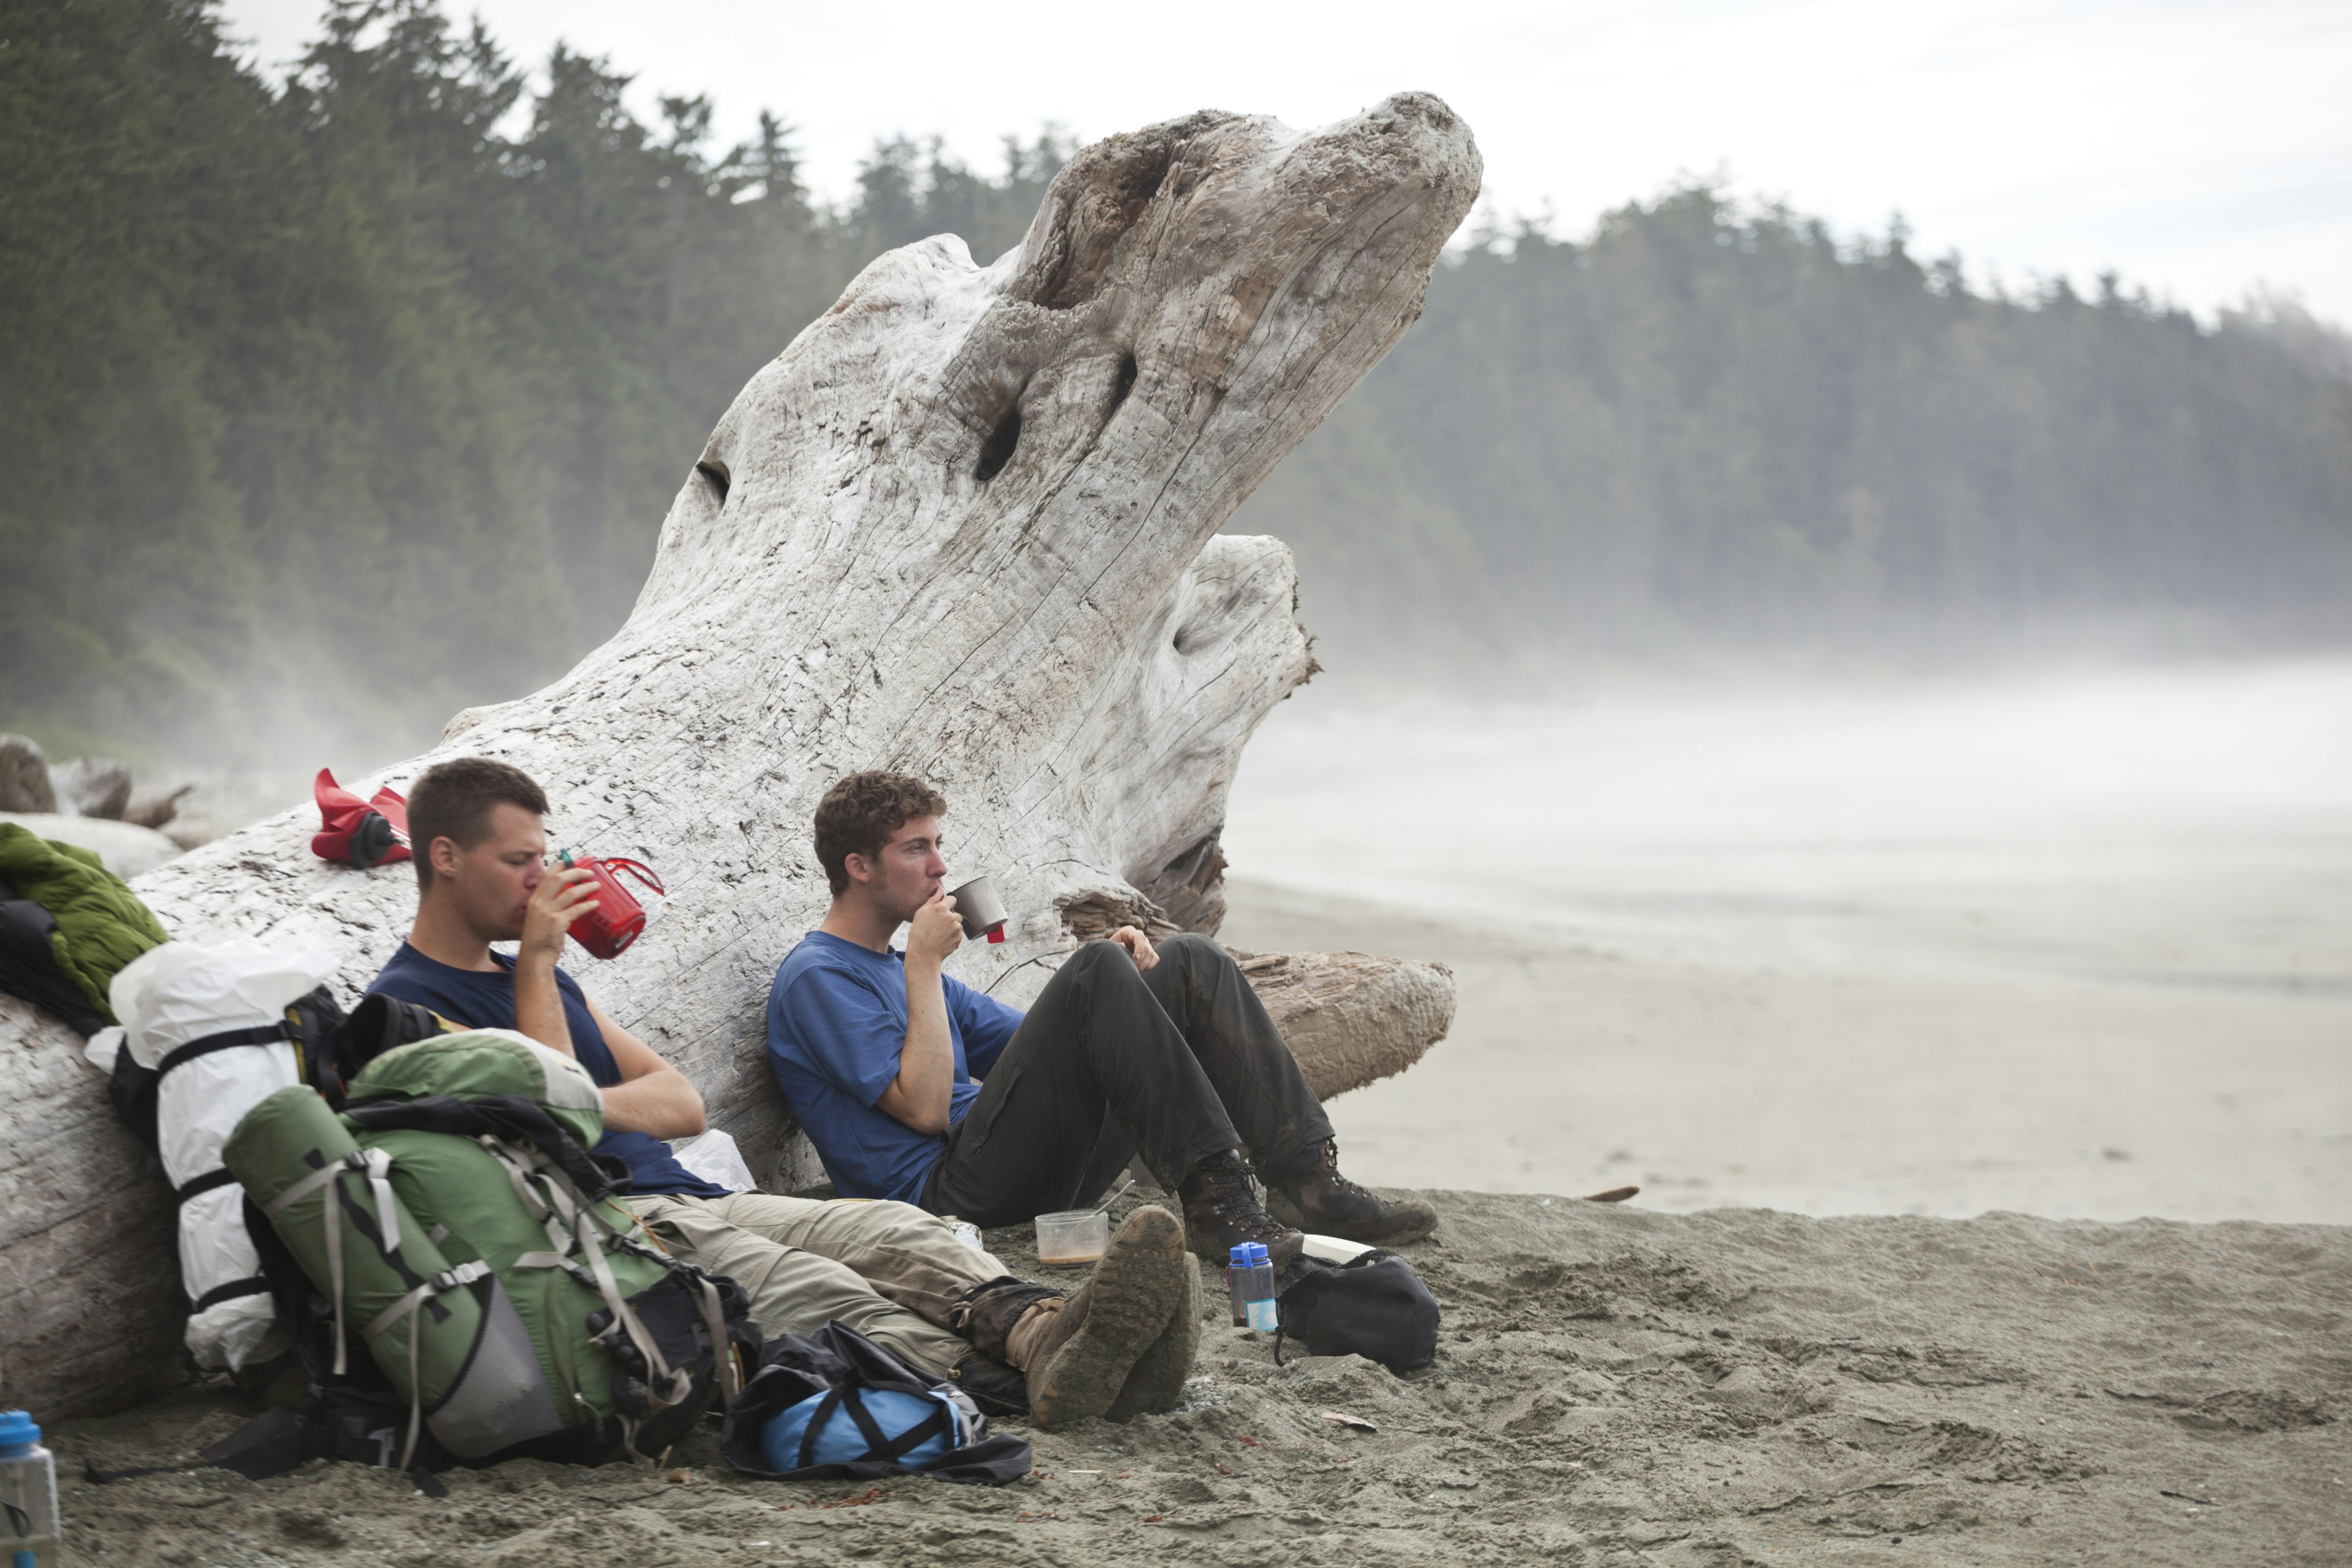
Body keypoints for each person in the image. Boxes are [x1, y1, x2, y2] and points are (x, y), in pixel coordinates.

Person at [362, 758, 1197, 1429]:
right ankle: (1016, 1384)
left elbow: (681, 1104)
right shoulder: (407, 1011)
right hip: (601, 1223)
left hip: (682, 1192)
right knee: (807, 1285)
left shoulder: (541, 988)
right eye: (518, 863)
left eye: (543, 858)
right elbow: (548, 1125)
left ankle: (1044, 1330)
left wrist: (576, 1071)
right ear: (445, 857)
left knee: (890, 1229)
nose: (538, 882)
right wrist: (545, 972)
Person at [766, 771, 1437, 1266]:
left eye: (939, 845)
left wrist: (1126, 988)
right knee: (1095, 973)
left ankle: (1310, 1183)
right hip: (946, 1194)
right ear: (859, 867)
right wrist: (924, 968)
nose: (942, 868)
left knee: (1190, 962)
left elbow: (1033, 1049)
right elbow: (925, 1111)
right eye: (917, 850)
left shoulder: (893, 964)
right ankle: (1219, 1204)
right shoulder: (820, 977)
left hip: (1018, 1164)